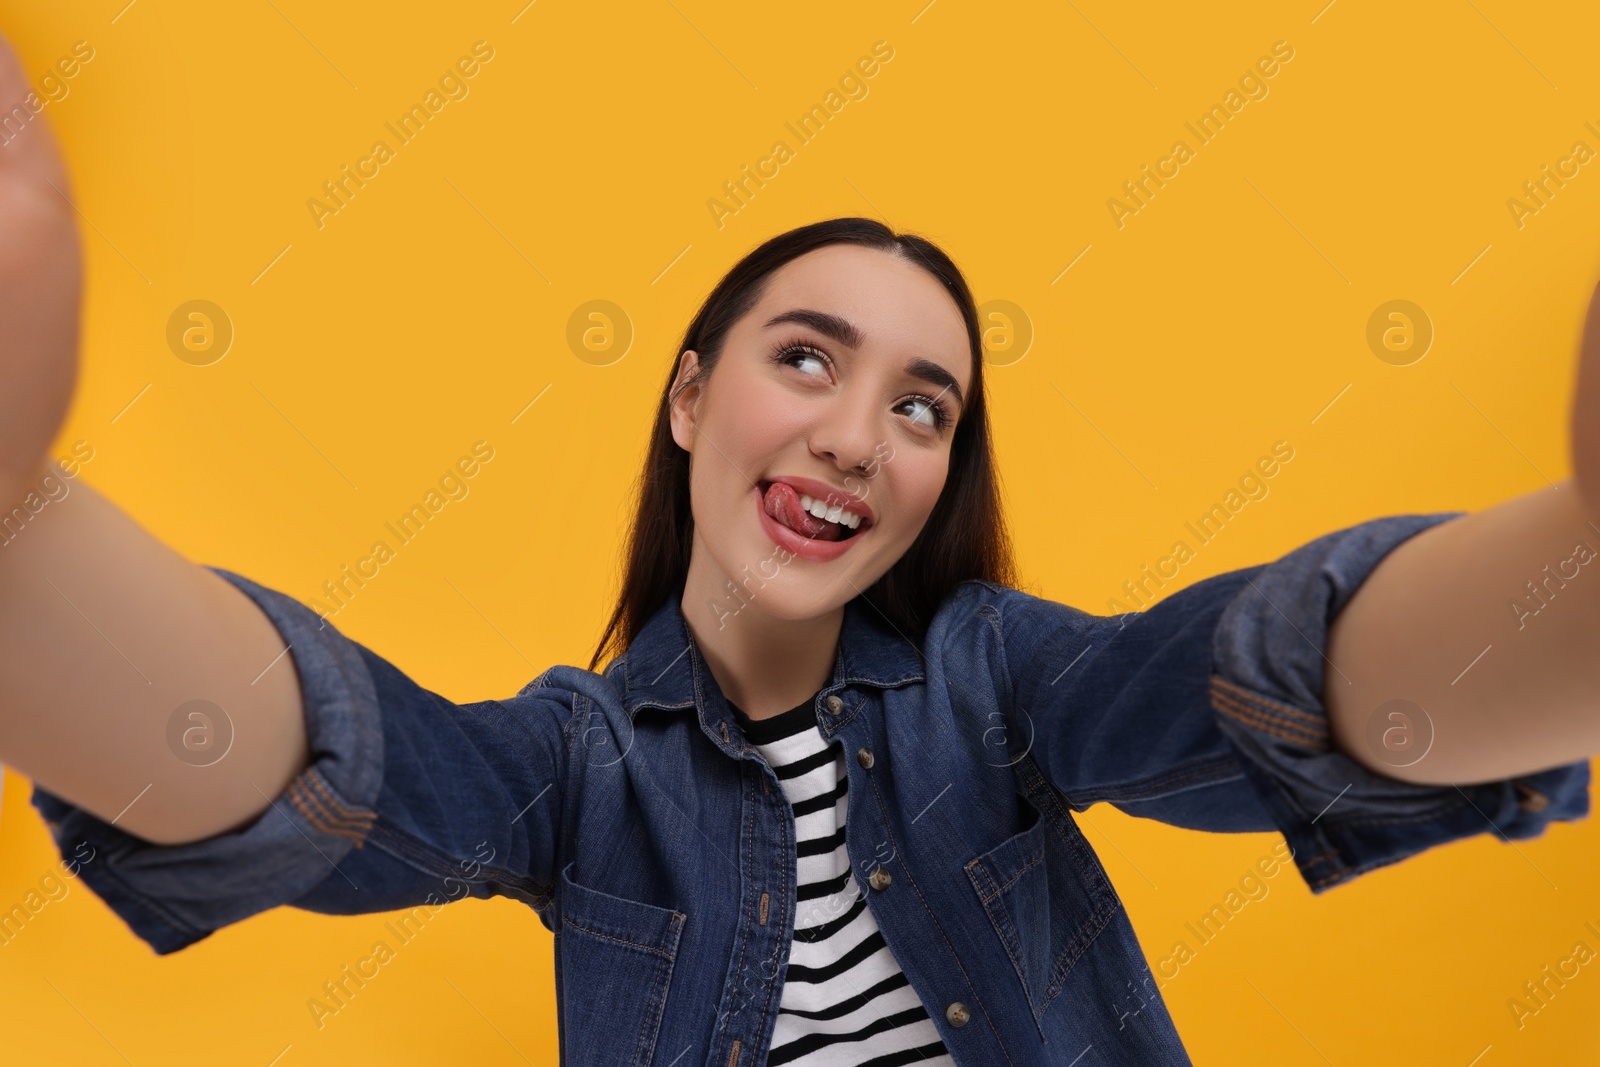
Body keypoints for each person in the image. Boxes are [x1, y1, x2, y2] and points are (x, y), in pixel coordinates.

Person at [1, 30, 1597, 1067]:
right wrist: (22, 530)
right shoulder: (587, 770)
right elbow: (338, 779)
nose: (859, 436)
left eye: (925, 406)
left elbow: (1255, 689)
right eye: (809, 361)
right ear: (692, 397)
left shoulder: (998, 683)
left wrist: (1581, 565)